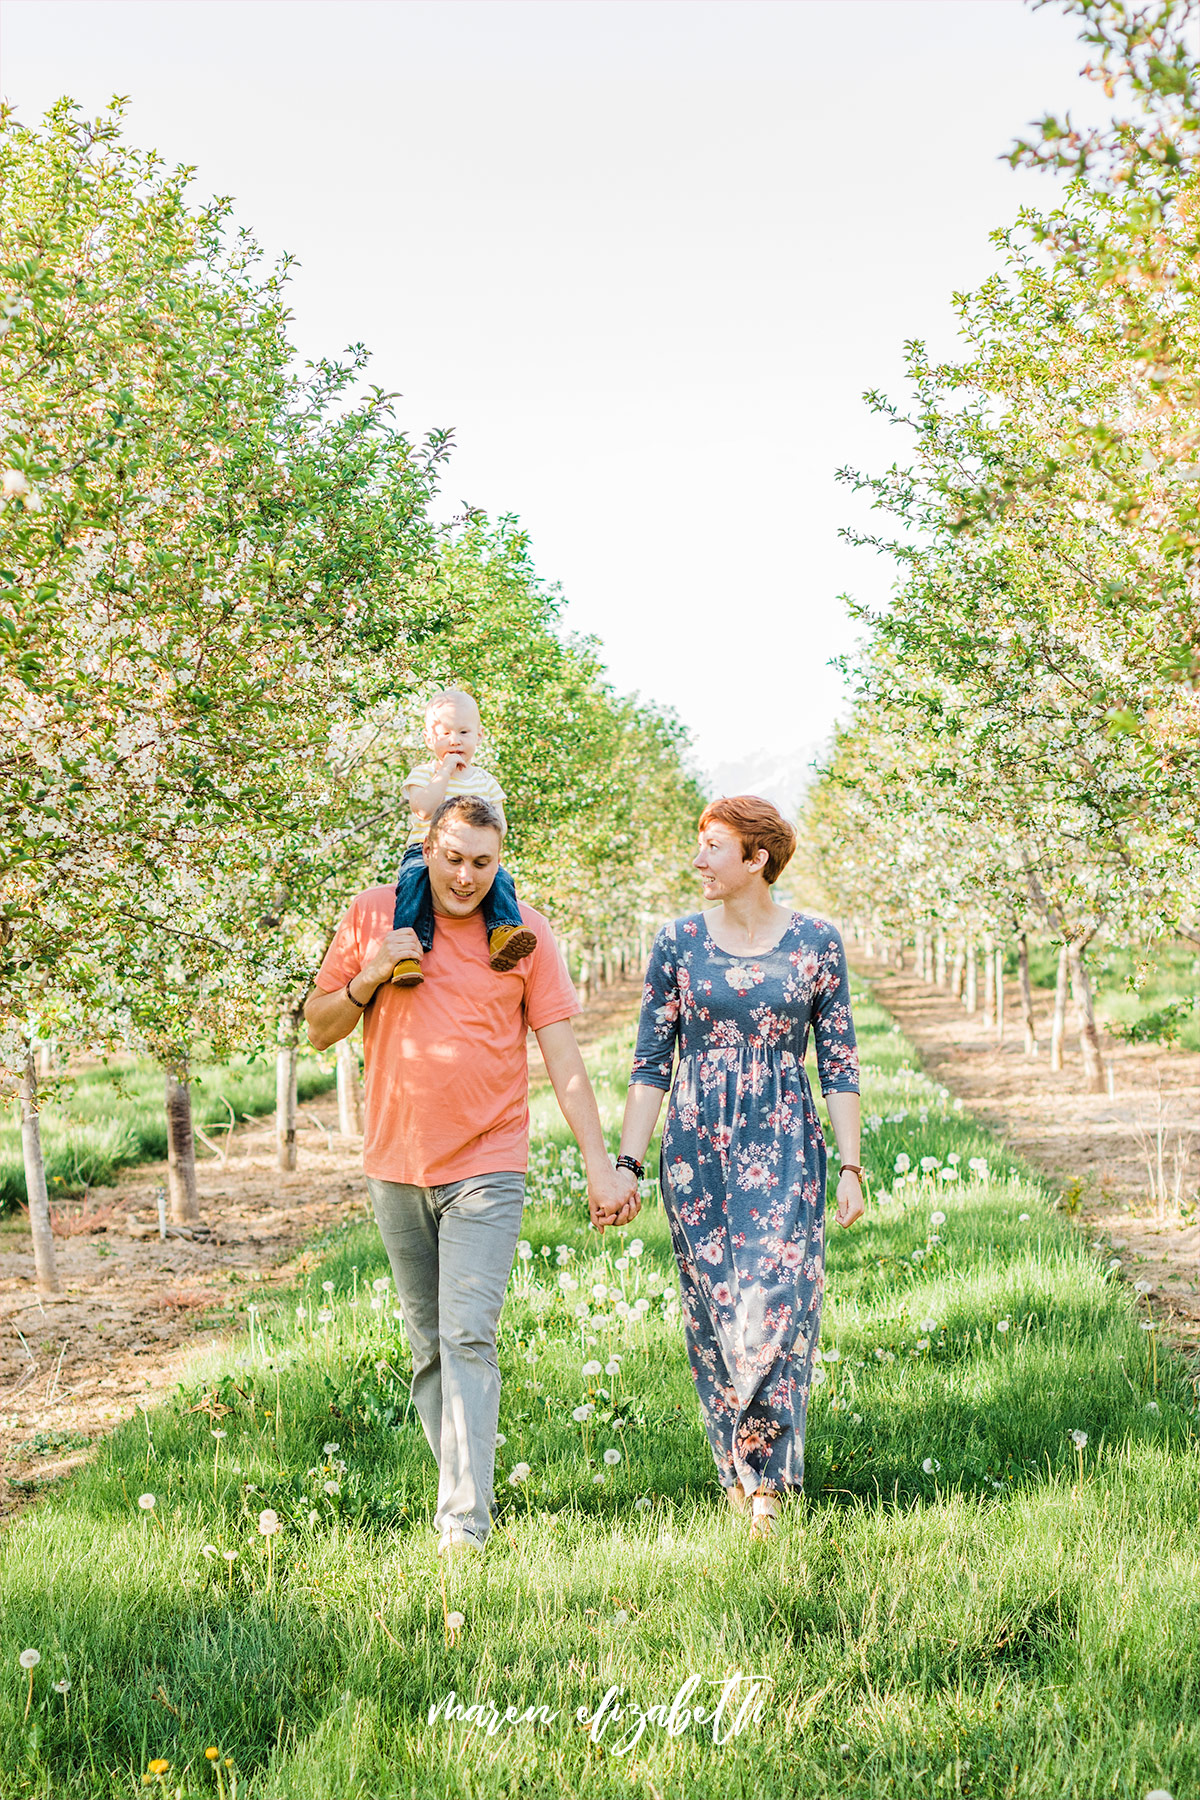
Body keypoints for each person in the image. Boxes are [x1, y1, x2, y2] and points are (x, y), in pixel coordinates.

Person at [304, 794, 635, 1557]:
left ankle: (463, 1524)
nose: (465, 876)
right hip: (397, 1165)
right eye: (452, 858)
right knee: (428, 1348)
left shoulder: (520, 937)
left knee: (467, 1336)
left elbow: (563, 1057)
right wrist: (370, 976)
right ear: (427, 846)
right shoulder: (376, 916)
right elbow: (320, 1028)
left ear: (501, 861)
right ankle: (463, 1486)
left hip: (489, 1162)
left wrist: (599, 1164)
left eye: (483, 863)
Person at [614, 794, 864, 1540]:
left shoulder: (817, 941)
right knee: (715, 1310)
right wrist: (627, 1161)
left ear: (757, 859)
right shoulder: (678, 942)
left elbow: (841, 1062)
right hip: (697, 1152)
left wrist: (851, 1166)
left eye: (714, 847)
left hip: (786, 1145)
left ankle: (766, 1485)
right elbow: (651, 1062)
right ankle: (737, 1465)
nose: (698, 860)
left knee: (778, 1305)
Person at [389, 687, 535, 987]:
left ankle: (502, 932)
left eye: (464, 732)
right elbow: (422, 811)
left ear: (479, 736)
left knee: (500, 878)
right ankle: (406, 954)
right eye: (445, 733)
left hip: (474, 854)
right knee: (414, 881)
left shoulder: (486, 781)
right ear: (429, 739)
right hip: (424, 851)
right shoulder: (424, 773)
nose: (455, 740)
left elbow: (500, 827)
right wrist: (444, 772)